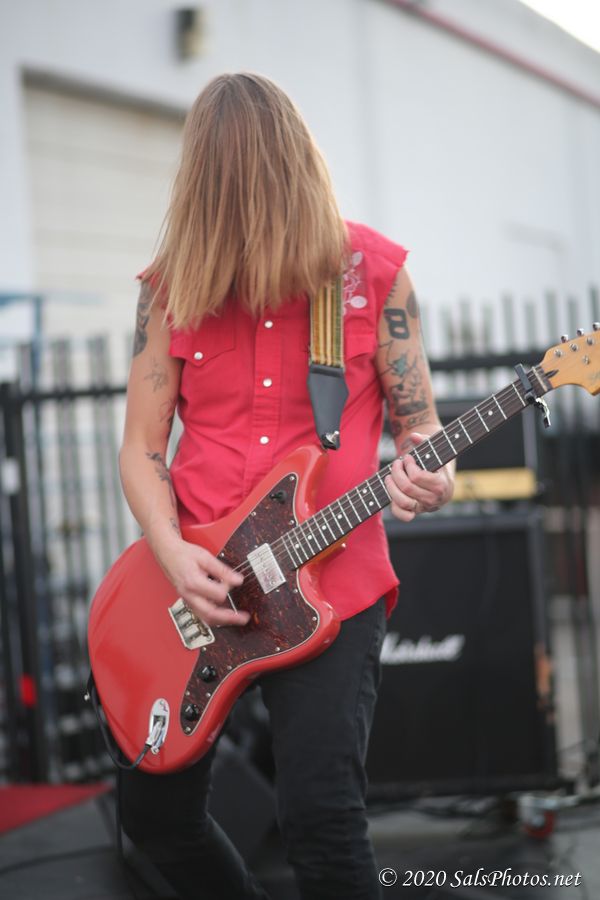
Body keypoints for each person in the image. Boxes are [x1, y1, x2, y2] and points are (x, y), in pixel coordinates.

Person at [117, 72, 455, 900]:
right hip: (197, 588)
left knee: (323, 826)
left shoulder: (373, 274)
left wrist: (431, 472)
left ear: (288, 175)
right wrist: (173, 554)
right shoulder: (170, 289)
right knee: (155, 821)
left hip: (333, 590)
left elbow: (423, 431)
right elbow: (141, 448)